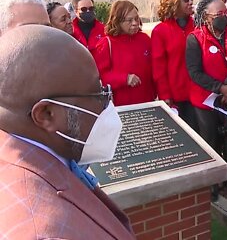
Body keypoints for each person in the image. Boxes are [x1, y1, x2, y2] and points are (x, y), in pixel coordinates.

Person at [0, 25, 134, 239]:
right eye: (98, 94)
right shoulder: (43, 231)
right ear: (47, 115)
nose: (107, 105)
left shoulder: (45, 151)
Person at [186, 0, 227, 197]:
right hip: (206, 100)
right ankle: (212, 184)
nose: (224, 17)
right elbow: (194, 73)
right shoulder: (194, 39)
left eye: (226, 13)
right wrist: (220, 88)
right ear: (206, 16)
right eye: (219, 14)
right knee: (210, 141)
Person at [92, 0, 156, 106]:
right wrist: (124, 78)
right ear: (118, 21)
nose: (135, 23)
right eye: (129, 20)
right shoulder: (106, 43)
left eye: (136, 18)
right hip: (121, 106)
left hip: (147, 102)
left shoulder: (145, 39)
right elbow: (100, 77)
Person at [151, 0, 197, 130]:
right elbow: (158, 66)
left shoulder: (198, 25)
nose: (190, 2)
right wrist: (164, 94)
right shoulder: (160, 31)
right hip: (176, 95)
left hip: (199, 92)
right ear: (174, 2)